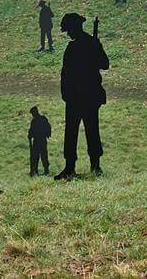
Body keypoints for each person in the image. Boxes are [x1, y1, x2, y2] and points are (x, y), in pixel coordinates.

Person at [54, 13, 109, 179]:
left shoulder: (87, 45)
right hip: (77, 97)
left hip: (85, 96)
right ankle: (73, 166)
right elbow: (66, 74)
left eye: (69, 30)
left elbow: (104, 64)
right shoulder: (82, 45)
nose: (68, 34)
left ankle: (92, 165)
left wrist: (97, 48)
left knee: (87, 130)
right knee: (77, 131)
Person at [28, 106, 52, 176]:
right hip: (39, 140)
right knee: (37, 156)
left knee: (42, 155)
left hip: (40, 140)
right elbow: (32, 130)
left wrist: (47, 134)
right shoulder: (37, 120)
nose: (33, 115)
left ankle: (44, 169)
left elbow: (48, 127)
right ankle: (36, 170)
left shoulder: (40, 119)